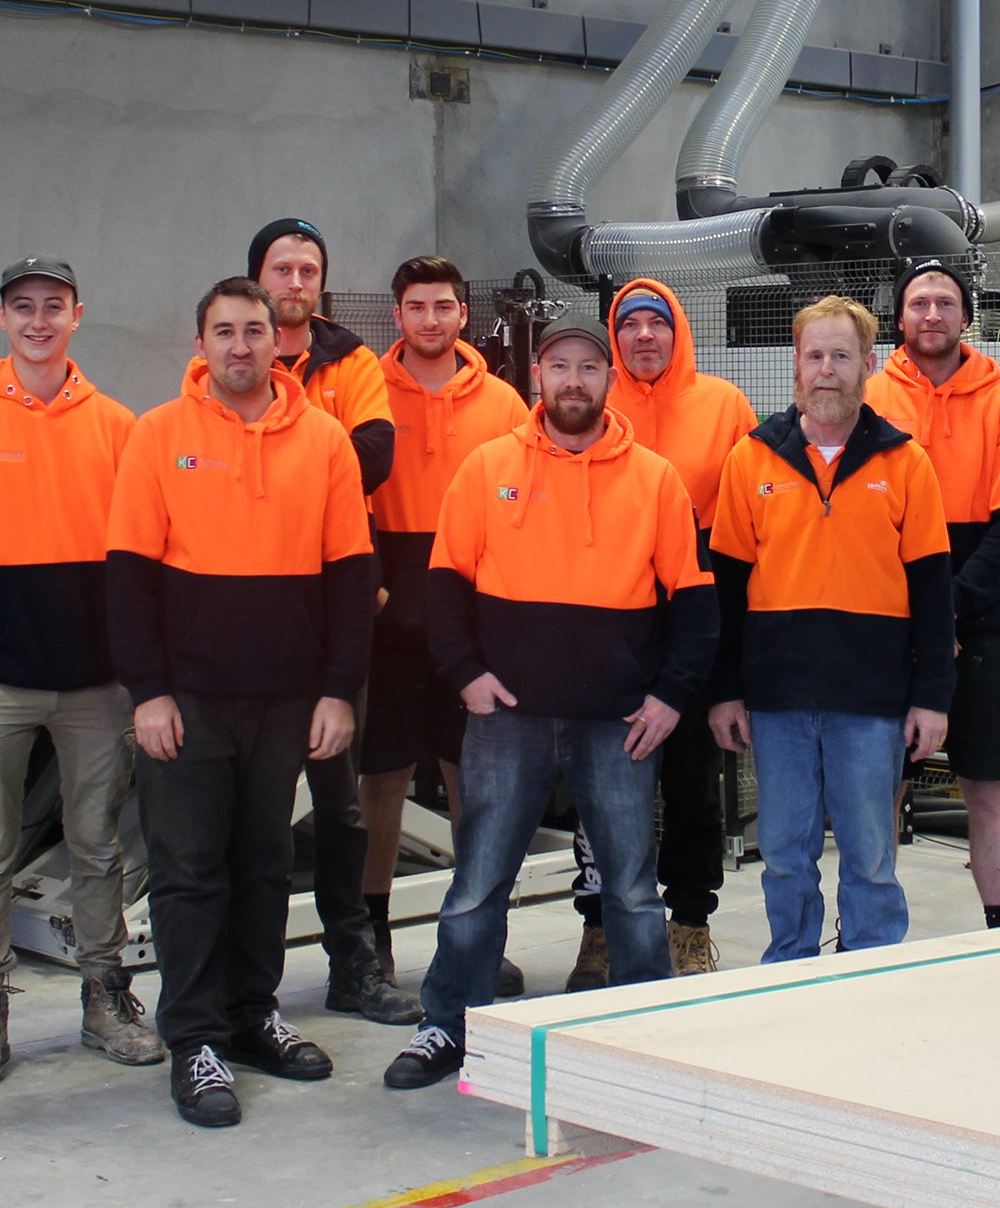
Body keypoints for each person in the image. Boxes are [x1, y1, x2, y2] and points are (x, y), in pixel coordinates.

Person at [383, 313, 715, 1088]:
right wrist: (466, 674)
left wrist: (670, 698)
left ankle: (644, 1033)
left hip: (618, 722)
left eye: (588, 368)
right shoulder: (487, 467)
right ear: (538, 377)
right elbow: (444, 587)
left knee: (631, 888)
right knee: (479, 883)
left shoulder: (655, 479)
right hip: (509, 718)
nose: (573, 380)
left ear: (609, 381)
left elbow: (695, 604)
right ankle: (448, 1023)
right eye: (559, 366)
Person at [107, 276, 376, 1128]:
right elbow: (128, 580)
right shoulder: (158, 436)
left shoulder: (325, 440)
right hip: (188, 702)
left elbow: (351, 577)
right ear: (202, 344)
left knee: (264, 865)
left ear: (276, 342)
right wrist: (149, 694)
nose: (240, 346)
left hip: (286, 699)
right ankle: (195, 1038)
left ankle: (253, 1014)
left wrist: (336, 692)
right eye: (223, 332)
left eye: (254, 331)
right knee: (188, 871)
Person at [0, 257, 159, 1087]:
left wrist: (132, 669)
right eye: (24, 307)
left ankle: (105, 997)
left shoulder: (117, 426)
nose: (40, 321)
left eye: (55, 306)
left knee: (98, 850)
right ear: (1, 319)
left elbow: (138, 560)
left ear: (77, 316)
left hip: (95, 687)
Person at [707, 295, 955, 962]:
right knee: (785, 853)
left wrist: (932, 698)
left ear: (868, 365)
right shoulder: (750, 460)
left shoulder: (906, 463)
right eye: (814, 355)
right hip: (777, 699)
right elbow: (725, 594)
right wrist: (724, 691)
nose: (826, 370)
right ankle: (789, 965)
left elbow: (934, 596)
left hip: (871, 701)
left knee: (869, 856)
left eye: (841, 356)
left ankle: (873, 969)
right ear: (795, 364)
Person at [559, 278, 757, 987]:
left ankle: (690, 923)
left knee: (691, 779)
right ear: (614, 337)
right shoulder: (593, 402)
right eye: (630, 324)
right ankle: (600, 926)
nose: (644, 335)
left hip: (697, 609)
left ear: (679, 332)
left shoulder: (724, 405)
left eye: (658, 322)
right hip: (612, 613)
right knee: (601, 778)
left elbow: (748, 518)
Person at [243, 217, 416, 1024]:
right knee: (260, 817)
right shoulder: (228, 363)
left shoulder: (353, 362)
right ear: (258, 278)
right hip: (261, 613)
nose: (295, 282)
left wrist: (283, 458)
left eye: (308, 270)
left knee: (342, 807)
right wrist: (318, 456)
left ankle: (355, 964)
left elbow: (376, 457)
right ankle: (251, 985)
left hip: (341, 602)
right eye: (282, 269)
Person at [360, 255, 529, 997]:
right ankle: (370, 943)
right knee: (381, 781)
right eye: (417, 307)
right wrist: (372, 590)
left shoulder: (504, 403)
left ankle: (474, 941)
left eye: (443, 306)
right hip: (388, 623)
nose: (430, 319)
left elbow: (524, 509)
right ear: (397, 316)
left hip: (473, 623)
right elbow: (343, 496)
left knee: (476, 785)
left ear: (464, 315)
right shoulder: (365, 394)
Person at [865, 261, 1000, 929]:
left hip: (979, 624)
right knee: (879, 787)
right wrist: (915, 621)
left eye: (945, 302)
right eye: (919, 303)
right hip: (888, 624)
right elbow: (855, 524)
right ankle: (870, 931)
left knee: (987, 784)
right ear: (899, 318)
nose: (932, 314)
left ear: (966, 317)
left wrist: (948, 615)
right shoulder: (870, 398)